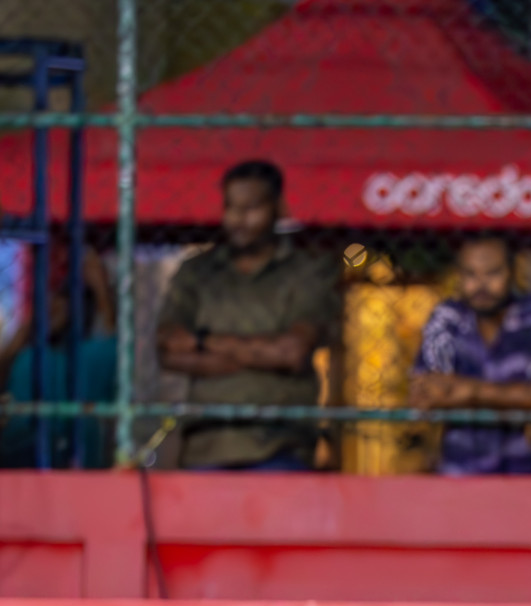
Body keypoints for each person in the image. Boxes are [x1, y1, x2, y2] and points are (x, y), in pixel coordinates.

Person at [156, 160, 339, 470]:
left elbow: (292, 353)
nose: (239, 219)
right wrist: (263, 354)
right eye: (231, 207)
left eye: (252, 208)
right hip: (205, 443)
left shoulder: (307, 272)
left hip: (281, 443)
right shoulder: (198, 271)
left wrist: (201, 341)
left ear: (278, 208)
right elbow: (167, 350)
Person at [409, 235, 531, 475]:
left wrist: (468, 392)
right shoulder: (447, 318)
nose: (481, 285)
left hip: (526, 477)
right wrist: (522, 404)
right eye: (470, 275)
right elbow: (423, 394)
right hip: (460, 474)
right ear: (459, 276)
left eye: (493, 273)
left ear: (513, 273)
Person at [0, 242, 118, 468]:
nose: (53, 306)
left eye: (62, 300)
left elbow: (113, 344)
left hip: (71, 457)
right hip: (22, 454)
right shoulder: (27, 357)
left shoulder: (91, 356)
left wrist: (100, 289)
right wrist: (31, 322)